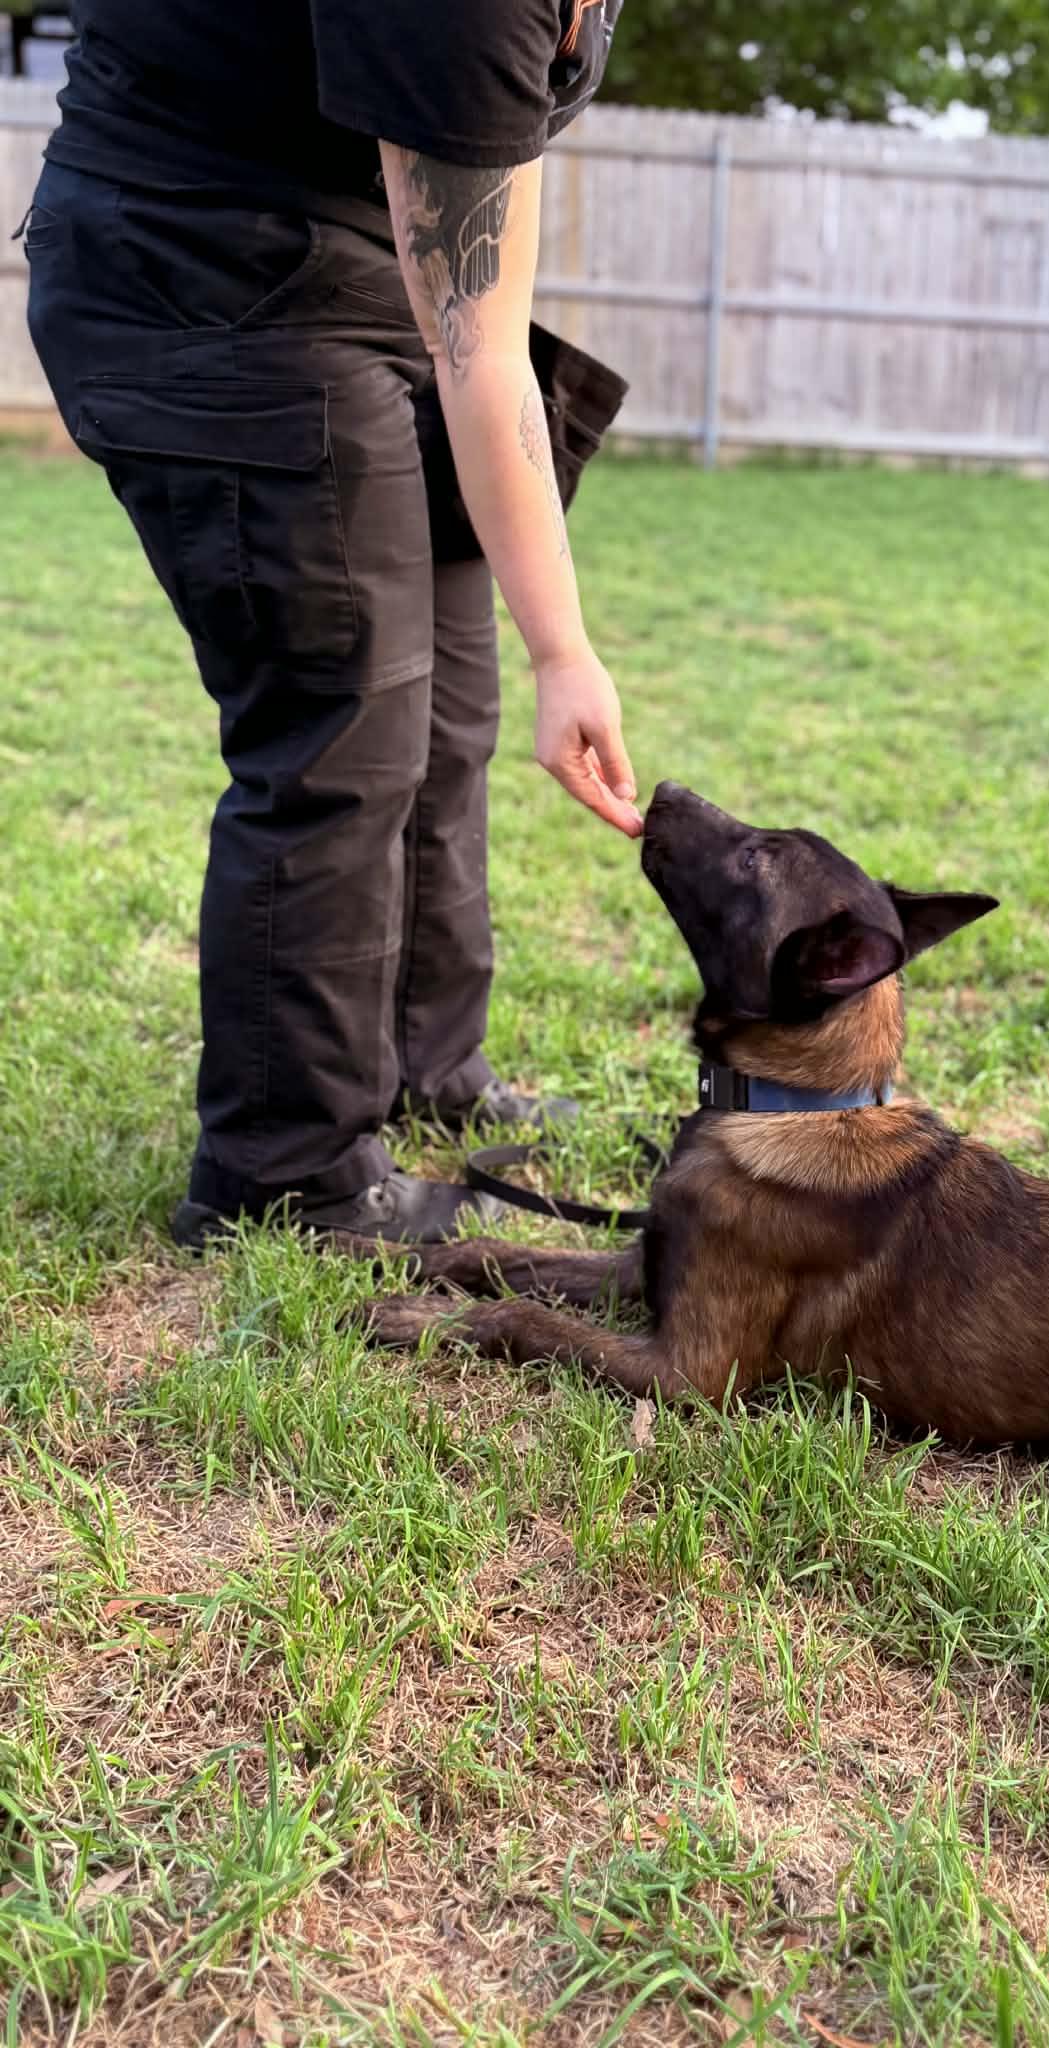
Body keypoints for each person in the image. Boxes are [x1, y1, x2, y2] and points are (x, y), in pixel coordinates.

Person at [22, 0, 640, 1249]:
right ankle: (287, 1171)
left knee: (450, 704)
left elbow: (479, 296)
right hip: (209, 278)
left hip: (368, 282)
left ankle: (426, 1063)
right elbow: (482, 346)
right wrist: (566, 649)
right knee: (344, 724)